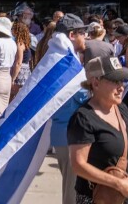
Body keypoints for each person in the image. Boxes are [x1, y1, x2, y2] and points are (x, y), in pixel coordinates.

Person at [68, 56, 128, 204]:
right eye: (115, 81)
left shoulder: (121, 108)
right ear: (96, 83)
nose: (121, 87)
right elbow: (78, 165)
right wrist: (119, 184)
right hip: (99, 198)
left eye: (122, 81)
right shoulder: (83, 118)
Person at [49, 14, 89, 204]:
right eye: (83, 32)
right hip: (69, 134)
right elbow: (80, 95)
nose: (86, 36)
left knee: (74, 186)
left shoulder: (61, 57)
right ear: (72, 35)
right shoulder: (65, 62)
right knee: (72, 189)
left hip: (65, 133)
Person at [11, 20, 32, 98]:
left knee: (13, 95)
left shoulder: (20, 43)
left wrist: (13, 78)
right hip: (25, 70)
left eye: (13, 29)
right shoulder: (26, 43)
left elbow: (18, 62)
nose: (12, 30)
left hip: (20, 72)